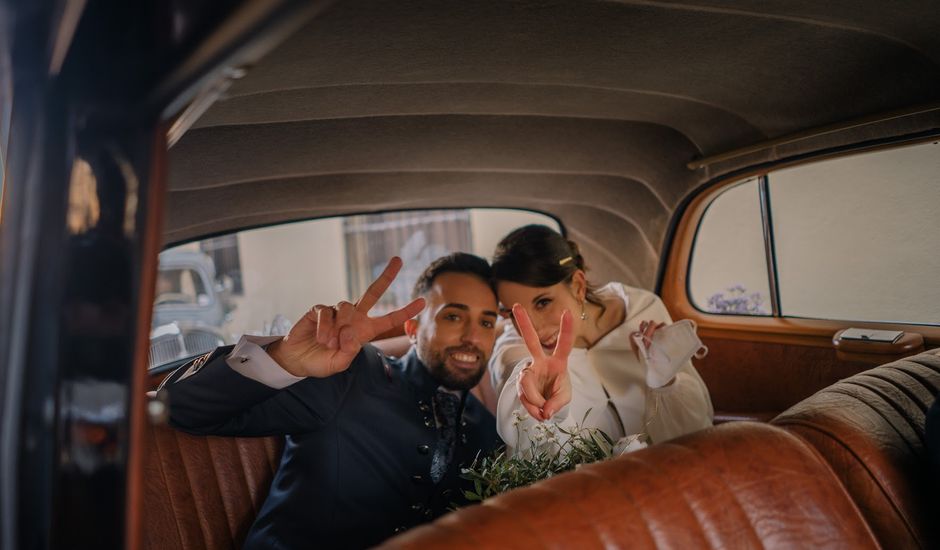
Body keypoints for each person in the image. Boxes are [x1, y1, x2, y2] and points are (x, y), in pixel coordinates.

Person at [159, 253, 502, 549]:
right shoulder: (349, 372)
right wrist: (284, 359)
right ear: (411, 328)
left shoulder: (486, 429)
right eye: (453, 316)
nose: (473, 337)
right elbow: (179, 407)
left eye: (487, 322)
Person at [488, 225, 713, 456]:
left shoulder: (642, 312)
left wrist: (665, 382)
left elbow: (695, 436)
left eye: (543, 302)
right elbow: (530, 449)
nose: (533, 328)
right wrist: (540, 405)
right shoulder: (516, 355)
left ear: (577, 285)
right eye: (514, 314)